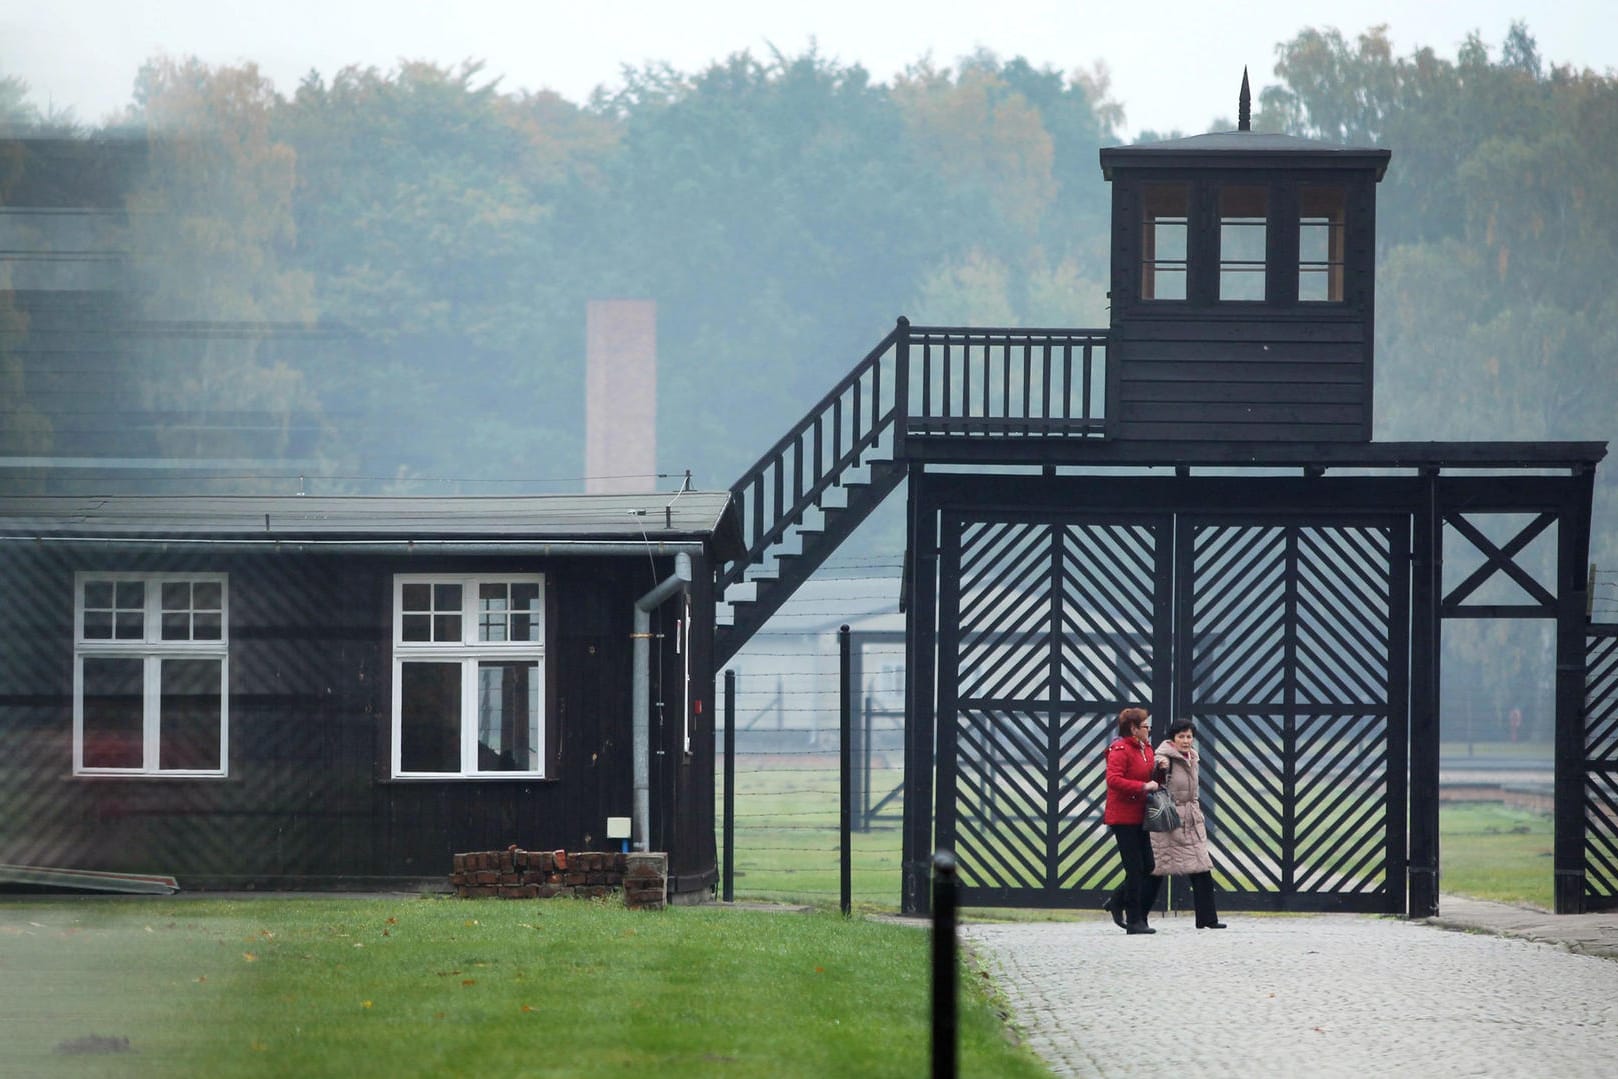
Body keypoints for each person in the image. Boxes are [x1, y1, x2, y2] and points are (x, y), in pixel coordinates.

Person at [1149, 718, 1226, 929]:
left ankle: (1208, 919)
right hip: (1170, 820)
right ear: (1172, 738)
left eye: (1189, 736)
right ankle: (1121, 903)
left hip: (1191, 821)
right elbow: (1156, 768)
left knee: (1201, 868)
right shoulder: (1164, 757)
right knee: (1157, 868)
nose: (1185, 740)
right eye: (1181, 736)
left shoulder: (1192, 756)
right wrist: (1160, 766)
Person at [1102, 706, 1162, 934]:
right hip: (1123, 817)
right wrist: (1142, 786)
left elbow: (1147, 775)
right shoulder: (1120, 749)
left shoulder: (1145, 748)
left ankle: (1117, 900)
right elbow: (1113, 780)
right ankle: (1134, 920)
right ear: (1133, 729)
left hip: (1141, 815)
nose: (1149, 730)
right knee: (1134, 868)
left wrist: (1159, 772)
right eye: (1145, 726)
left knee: (1148, 866)